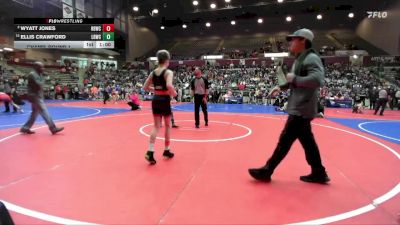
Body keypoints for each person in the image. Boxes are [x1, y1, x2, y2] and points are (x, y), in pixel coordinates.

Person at [248, 28, 330, 184]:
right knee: (307, 142)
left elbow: (318, 79)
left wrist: (295, 78)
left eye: (294, 39)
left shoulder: (311, 58)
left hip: (301, 108)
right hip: (301, 107)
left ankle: (268, 170)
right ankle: (319, 172)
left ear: (303, 41)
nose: (291, 43)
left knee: (285, 141)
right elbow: (294, 80)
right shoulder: (301, 58)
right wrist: (282, 86)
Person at [143, 50, 177, 164]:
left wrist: (156, 89)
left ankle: (150, 151)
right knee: (167, 126)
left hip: (155, 100)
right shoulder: (168, 72)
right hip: (164, 100)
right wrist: (174, 93)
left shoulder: (153, 72)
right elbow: (169, 85)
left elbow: (145, 87)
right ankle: (166, 150)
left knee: (156, 126)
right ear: (167, 60)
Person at [20, 62, 64, 135]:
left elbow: (40, 85)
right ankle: (53, 128)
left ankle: (25, 128)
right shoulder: (32, 74)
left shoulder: (38, 74)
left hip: (36, 96)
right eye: (41, 67)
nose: (43, 69)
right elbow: (38, 86)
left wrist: (42, 79)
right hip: (35, 96)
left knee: (34, 113)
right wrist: (44, 79)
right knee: (44, 111)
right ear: (36, 67)